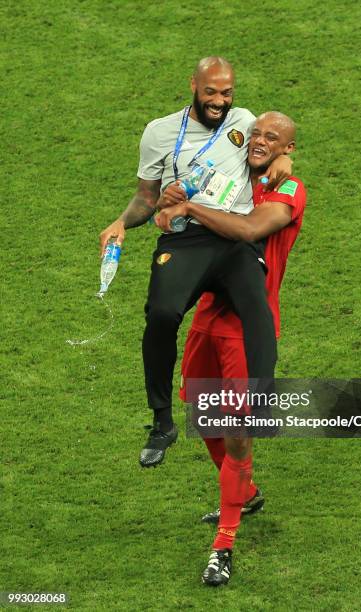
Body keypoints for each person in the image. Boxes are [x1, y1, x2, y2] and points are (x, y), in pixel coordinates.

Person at [99, 57, 292, 468]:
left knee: (255, 306)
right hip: (184, 238)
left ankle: (261, 402)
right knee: (162, 314)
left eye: (227, 93)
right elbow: (145, 200)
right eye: (211, 92)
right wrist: (120, 222)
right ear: (194, 85)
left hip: (232, 235)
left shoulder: (244, 119)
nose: (219, 101)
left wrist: (282, 161)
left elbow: (269, 149)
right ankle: (162, 422)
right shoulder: (159, 132)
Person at [156, 111, 306, 586]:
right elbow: (175, 226)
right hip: (206, 318)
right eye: (257, 133)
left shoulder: (289, 190)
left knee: (238, 432)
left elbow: (248, 231)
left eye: (274, 138)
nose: (261, 142)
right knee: (205, 418)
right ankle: (247, 494)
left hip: (247, 327)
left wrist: (192, 209)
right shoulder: (226, 173)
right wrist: (173, 201)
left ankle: (223, 545)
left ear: (288, 149)